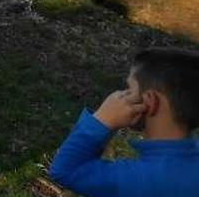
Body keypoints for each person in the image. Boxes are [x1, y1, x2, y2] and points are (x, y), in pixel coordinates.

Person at [49, 47, 199, 197]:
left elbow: (66, 171)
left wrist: (102, 120)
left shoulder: (142, 180)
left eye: (129, 88)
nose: (122, 94)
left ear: (150, 101)